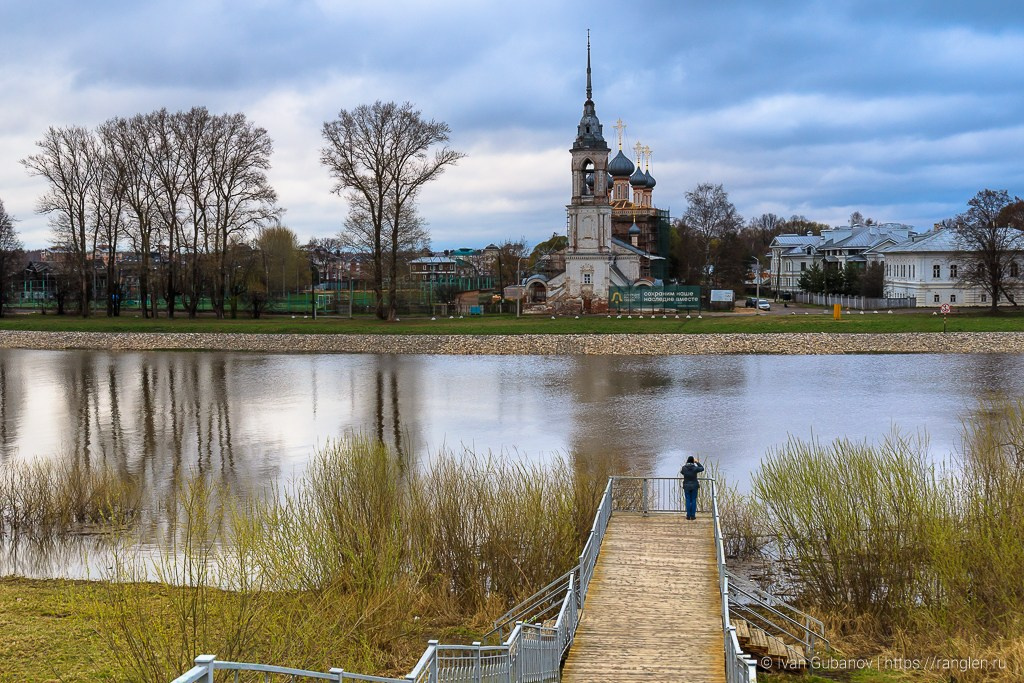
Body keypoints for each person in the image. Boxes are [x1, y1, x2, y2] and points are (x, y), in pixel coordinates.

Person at [679, 456, 705, 520]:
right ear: (693, 461)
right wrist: (697, 462)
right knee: (693, 500)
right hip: (694, 486)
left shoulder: (684, 468)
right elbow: (702, 468)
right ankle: (693, 516)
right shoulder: (695, 468)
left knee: (688, 500)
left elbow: (682, 472)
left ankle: (688, 515)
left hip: (686, 486)